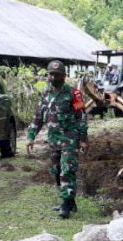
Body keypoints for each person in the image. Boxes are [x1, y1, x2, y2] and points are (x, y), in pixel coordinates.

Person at [26, 60, 88, 218]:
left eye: (56, 74)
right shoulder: (46, 95)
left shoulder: (74, 94)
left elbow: (82, 118)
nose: (53, 77)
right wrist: (31, 136)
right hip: (53, 140)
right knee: (57, 171)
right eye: (50, 74)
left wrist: (83, 139)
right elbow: (38, 117)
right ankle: (70, 200)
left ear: (64, 76)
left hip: (70, 139)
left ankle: (65, 204)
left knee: (67, 170)